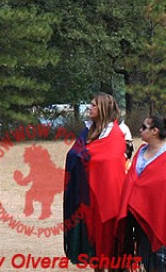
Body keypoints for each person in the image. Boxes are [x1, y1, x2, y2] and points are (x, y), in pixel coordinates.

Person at [63, 93, 127, 267]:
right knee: (93, 251)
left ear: (103, 108)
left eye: (93, 105)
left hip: (107, 198)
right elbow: (73, 154)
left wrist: (88, 157)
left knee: (110, 250)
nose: (89, 107)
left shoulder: (115, 134)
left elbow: (110, 161)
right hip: (86, 197)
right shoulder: (86, 131)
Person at [116, 115, 166, 271]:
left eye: (144, 127)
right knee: (144, 256)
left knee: (159, 260)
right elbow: (133, 180)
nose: (140, 130)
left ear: (155, 131)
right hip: (139, 215)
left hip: (159, 215)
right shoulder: (141, 150)